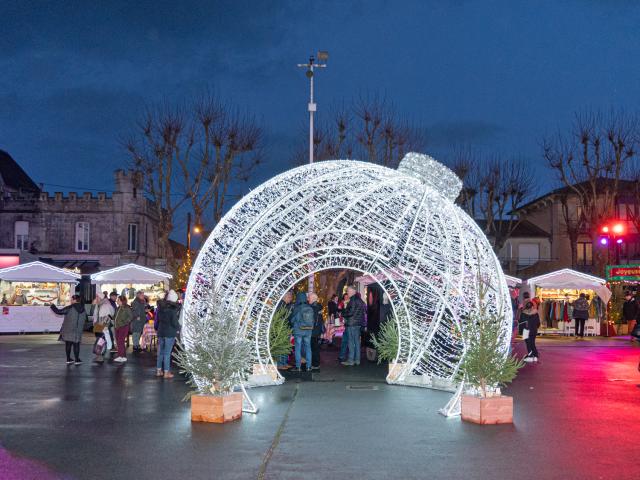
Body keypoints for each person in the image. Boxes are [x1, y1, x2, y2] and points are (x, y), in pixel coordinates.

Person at [51, 295, 87, 365]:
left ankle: (68, 359)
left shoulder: (70, 307)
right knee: (76, 345)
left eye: (71, 299)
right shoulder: (83, 308)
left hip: (68, 329)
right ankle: (77, 360)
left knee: (68, 344)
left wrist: (52, 306)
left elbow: (59, 312)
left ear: (74, 300)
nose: (71, 301)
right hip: (78, 330)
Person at [156, 289, 181, 378]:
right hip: (170, 332)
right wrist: (178, 328)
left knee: (161, 352)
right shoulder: (173, 309)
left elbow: (158, 320)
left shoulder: (161, 307)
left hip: (161, 331)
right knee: (167, 353)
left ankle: (159, 370)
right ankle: (166, 372)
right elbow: (174, 322)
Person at [342, 286, 366, 366]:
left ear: (352, 291)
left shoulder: (352, 300)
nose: (347, 292)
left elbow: (350, 313)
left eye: (348, 291)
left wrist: (343, 312)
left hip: (351, 324)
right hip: (358, 324)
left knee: (351, 342)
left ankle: (350, 360)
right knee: (357, 342)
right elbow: (363, 310)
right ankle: (357, 360)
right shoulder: (360, 300)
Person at [290, 292, 314, 372]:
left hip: (299, 331)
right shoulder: (309, 307)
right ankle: (308, 366)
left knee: (298, 348)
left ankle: (298, 366)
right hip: (308, 330)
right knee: (308, 347)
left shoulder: (297, 308)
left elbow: (292, 320)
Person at [92, 293, 114, 362]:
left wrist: (105, 325)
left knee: (102, 340)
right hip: (99, 325)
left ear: (100, 297)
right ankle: (99, 355)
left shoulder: (106, 305)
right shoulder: (99, 305)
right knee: (99, 340)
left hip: (103, 325)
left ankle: (102, 356)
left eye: (97, 297)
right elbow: (95, 314)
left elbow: (109, 316)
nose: (96, 298)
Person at [276, 291, 295, 370]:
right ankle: (280, 364)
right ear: (285, 297)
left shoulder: (285, 305)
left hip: (284, 328)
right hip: (282, 329)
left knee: (285, 346)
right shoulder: (282, 305)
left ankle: (284, 363)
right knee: (282, 347)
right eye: (289, 297)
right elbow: (282, 317)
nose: (290, 299)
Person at [113, 295, 133, 363]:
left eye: (118, 300)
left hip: (123, 327)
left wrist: (124, 322)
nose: (117, 301)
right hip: (117, 326)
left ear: (122, 301)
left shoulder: (126, 308)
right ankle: (122, 356)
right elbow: (116, 316)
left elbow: (130, 317)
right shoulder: (118, 308)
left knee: (120, 341)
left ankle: (121, 356)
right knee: (119, 342)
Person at [308, 292, 324, 370]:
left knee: (313, 348)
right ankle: (316, 364)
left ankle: (315, 364)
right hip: (317, 331)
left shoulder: (313, 308)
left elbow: (313, 321)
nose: (308, 299)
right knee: (315, 348)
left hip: (313, 331)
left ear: (313, 299)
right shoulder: (318, 307)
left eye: (309, 298)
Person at [338, 292, 350, 362]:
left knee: (348, 341)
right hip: (346, 324)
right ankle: (342, 356)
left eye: (347, 297)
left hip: (350, 324)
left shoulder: (350, 303)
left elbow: (347, 313)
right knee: (345, 341)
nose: (346, 298)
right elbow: (339, 309)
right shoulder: (343, 303)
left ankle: (348, 357)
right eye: (345, 297)